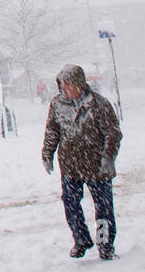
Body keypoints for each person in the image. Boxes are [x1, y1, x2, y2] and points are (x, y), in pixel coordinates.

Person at [42, 63, 123, 260]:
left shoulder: (99, 104)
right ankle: (81, 240)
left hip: (97, 166)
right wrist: (47, 153)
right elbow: (52, 130)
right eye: (62, 85)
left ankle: (105, 245)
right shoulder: (57, 104)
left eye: (68, 84)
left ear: (79, 83)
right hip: (70, 166)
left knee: (103, 209)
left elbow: (112, 134)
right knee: (70, 204)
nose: (64, 89)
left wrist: (108, 158)